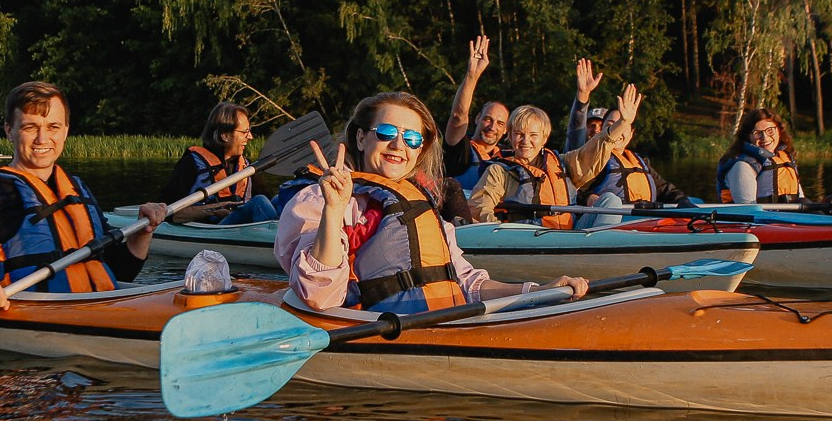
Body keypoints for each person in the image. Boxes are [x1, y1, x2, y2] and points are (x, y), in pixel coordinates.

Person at [275, 90, 588, 314]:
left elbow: (467, 282)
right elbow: (319, 296)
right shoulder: (317, 200)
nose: (399, 145)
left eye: (412, 139)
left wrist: (537, 290)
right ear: (360, 138)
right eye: (386, 132)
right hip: (370, 328)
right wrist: (333, 209)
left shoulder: (420, 205)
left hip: (439, 321)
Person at [0, 81, 166, 309]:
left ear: (66, 130)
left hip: (89, 307)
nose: (42, 138)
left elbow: (118, 272)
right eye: (30, 127)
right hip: (24, 311)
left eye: (53, 126)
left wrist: (142, 235)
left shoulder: (76, 188)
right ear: (9, 130)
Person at [469, 82, 644, 226]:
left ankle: (599, 252)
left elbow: (594, 149)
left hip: (569, 233)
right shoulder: (499, 171)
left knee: (610, 201)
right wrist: (499, 232)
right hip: (527, 238)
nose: (525, 141)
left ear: (544, 138)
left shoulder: (561, 163)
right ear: (510, 136)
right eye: (519, 134)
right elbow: (479, 207)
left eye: (533, 135)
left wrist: (622, 123)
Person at [564, 60, 692, 218]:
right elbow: (575, 181)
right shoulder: (594, 158)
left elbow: (667, 190)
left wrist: (685, 203)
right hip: (612, 220)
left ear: (631, 134)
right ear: (603, 132)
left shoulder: (640, 161)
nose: (619, 130)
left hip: (644, 220)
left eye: (624, 125)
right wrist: (583, 96)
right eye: (612, 125)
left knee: (688, 201)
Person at [160, 101, 279, 225]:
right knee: (259, 202)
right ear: (225, 136)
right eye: (244, 132)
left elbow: (268, 203)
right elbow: (167, 212)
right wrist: (213, 210)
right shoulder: (191, 164)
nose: (250, 137)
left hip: (241, 229)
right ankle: (281, 241)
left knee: (279, 199)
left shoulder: (247, 166)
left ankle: (286, 239)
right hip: (211, 229)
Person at [441, 35, 508, 182]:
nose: (492, 127)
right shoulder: (460, 151)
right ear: (478, 118)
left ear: (506, 130)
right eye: (488, 119)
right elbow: (458, 116)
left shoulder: (509, 158)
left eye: (500, 123)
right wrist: (473, 75)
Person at [717, 108, 804, 204]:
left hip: (785, 216)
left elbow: (801, 199)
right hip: (759, 217)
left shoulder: (786, 159)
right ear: (748, 136)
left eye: (770, 130)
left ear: (779, 131)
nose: (765, 137)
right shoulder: (742, 166)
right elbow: (747, 210)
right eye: (757, 133)